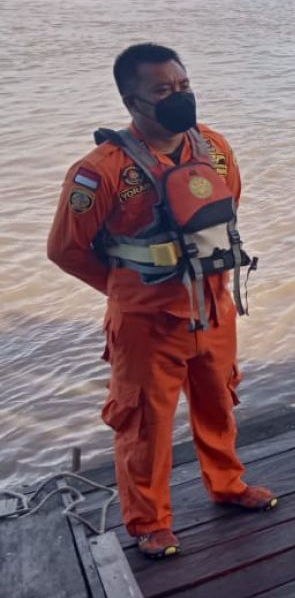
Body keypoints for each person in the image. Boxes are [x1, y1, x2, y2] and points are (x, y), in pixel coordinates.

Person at [47, 44, 275, 560]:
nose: (179, 97)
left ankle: (227, 483)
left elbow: (227, 207)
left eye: (184, 86)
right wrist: (125, 289)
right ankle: (150, 522)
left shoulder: (213, 148)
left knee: (219, 401)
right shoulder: (101, 170)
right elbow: (65, 249)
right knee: (144, 424)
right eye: (163, 90)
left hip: (213, 307)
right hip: (147, 323)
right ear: (132, 101)